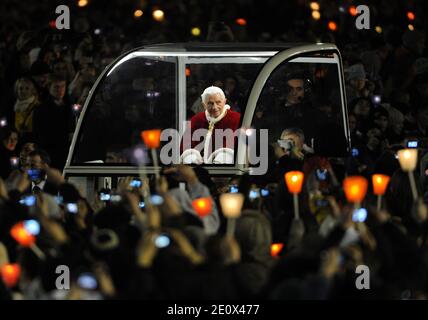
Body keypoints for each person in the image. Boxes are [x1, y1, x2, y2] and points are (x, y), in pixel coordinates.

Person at [181, 86, 241, 164]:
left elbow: (235, 147)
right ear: (204, 105)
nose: (215, 107)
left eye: (218, 102)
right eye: (210, 103)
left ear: (225, 101)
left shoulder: (236, 119)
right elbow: (186, 147)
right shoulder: (197, 119)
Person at [32, 74, 74, 170]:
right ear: (49, 87)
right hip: (51, 154)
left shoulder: (69, 105)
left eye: (62, 86)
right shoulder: (41, 109)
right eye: (56, 87)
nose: (60, 90)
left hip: (67, 153)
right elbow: (38, 134)